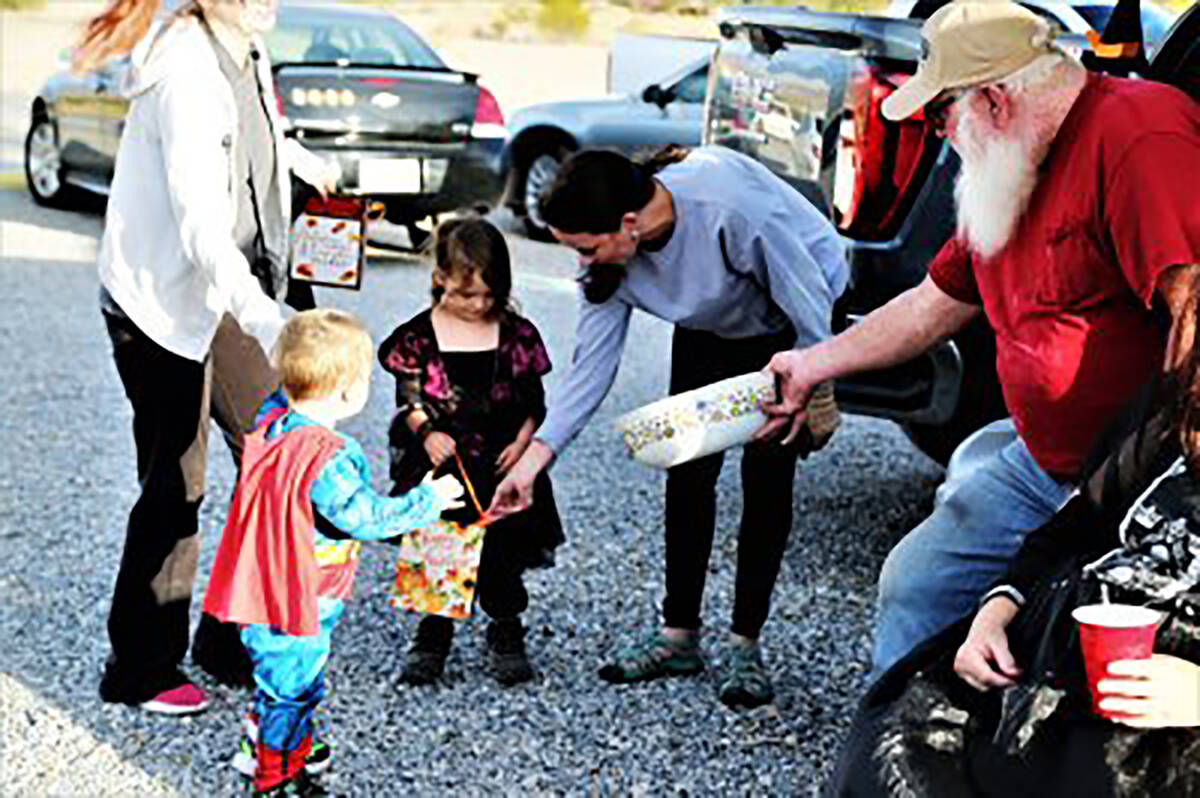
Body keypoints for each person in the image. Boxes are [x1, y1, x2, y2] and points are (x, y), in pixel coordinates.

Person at [763, 0, 1200, 678]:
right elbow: (933, 304)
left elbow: (1192, 305)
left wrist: (1166, 480)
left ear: (995, 99)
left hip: (1138, 476)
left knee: (1089, 661)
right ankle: (896, 753)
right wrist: (814, 363)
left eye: (941, 114)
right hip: (1043, 463)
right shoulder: (1012, 164)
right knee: (918, 581)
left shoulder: (1138, 137)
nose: (940, 135)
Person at [489, 145, 850, 708]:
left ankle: (746, 646)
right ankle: (678, 636)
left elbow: (807, 289)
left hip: (788, 324)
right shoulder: (612, 257)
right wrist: (533, 462)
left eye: (585, 247)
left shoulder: (728, 209)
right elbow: (591, 370)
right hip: (709, 328)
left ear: (629, 224)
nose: (582, 261)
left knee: (767, 480)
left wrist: (819, 375)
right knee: (686, 473)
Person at [78, 0, 341, 713]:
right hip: (160, 302)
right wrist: (269, 320)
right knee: (175, 484)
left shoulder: (243, 43)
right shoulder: (183, 68)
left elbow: (257, 135)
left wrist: (306, 164)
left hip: (226, 293)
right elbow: (199, 224)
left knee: (274, 456)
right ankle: (139, 667)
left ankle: (228, 638)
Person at [828, 323, 1200, 796]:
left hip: (1166, 716)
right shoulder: (1171, 413)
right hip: (1058, 665)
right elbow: (1074, 526)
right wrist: (995, 612)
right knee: (891, 750)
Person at [203, 310, 464, 796]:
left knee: (276, 675)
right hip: (298, 595)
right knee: (295, 685)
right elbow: (363, 518)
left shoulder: (274, 418)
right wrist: (428, 501)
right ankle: (276, 772)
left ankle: (268, 740)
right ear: (349, 392)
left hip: (265, 579)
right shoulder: (329, 456)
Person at [378, 218, 564, 687]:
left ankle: (506, 627)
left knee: (501, 549)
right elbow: (410, 399)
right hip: (443, 462)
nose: (478, 305)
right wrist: (426, 434)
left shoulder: (516, 334)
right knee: (439, 545)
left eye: (488, 296)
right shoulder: (418, 337)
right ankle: (433, 634)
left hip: (502, 460)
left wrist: (523, 445)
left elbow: (534, 404)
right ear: (440, 278)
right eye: (466, 295)